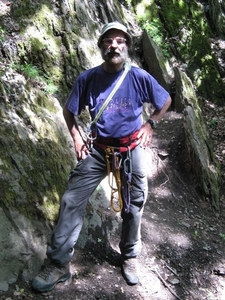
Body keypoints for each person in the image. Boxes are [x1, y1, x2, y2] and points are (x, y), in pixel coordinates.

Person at [32, 21, 172, 292]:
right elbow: (69, 111)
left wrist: (150, 123)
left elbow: (164, 100)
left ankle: (130, 256)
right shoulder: (88, 79)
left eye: (120, 41)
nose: (114, 46)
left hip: (130, 150)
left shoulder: (139, 77)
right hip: (97, 150)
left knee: (135, 203)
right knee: (72, 199)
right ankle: (58, 264)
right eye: (108, 41)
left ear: (127, 47)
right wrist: (75, 136)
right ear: (101, 47)